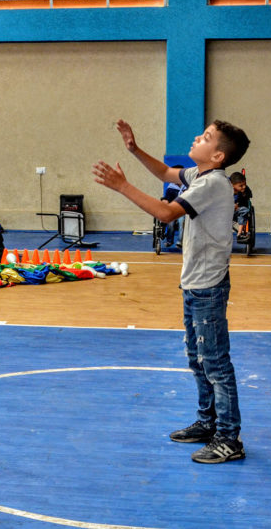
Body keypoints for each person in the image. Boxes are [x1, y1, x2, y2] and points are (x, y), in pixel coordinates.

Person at [93, 118, 250, 464]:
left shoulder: (215, 185)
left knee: (215, 363)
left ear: (219, 156)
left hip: (208, 286)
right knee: (197, 360)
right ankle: (208, 423)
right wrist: (134, 150)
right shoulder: (200, 176)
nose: (197, 137)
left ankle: (229, 437)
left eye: (206, 138)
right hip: (194, 283)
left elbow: (165, 213)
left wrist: (123, 186)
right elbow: (166, 172)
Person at [229, 171, 252, 243]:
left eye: (245, 184)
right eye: (241, 186)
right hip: (224, 211)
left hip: (237, 211)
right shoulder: (225, 190)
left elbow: (248, 199)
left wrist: (238, 204)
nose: (244, 187)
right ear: (232, 185)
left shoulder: (246, 190)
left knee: (245, 210)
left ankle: (239, 234)